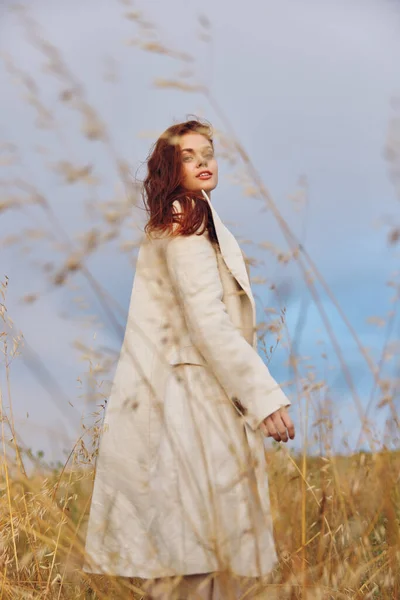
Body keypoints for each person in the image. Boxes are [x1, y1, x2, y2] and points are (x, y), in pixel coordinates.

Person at [82, 118, 295, 599]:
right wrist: (264, 398)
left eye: (209, 153)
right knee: (196, 559)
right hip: (192, 409)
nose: (203, 162)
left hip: (192, 405)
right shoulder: (186, 219)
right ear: (169, 167)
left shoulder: (189, 219)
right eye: (189, 155)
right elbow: (208, 321)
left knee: (195, 558)